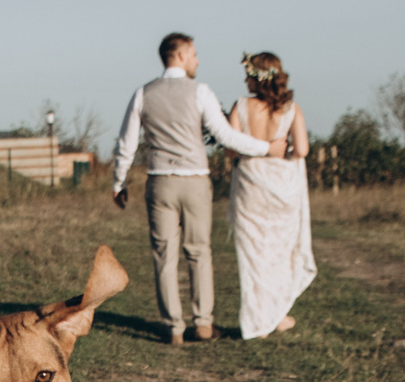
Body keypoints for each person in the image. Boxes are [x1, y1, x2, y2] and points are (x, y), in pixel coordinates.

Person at [110, 32, 276, 344]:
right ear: (181, 55)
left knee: (163, 254)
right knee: (199, 252)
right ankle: (202, 323)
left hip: (160, 182)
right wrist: (267, 147)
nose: (198, 59)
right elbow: (226, 136)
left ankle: (173, 327)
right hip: (196, 181)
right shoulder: (200, 92)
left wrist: (119, 183)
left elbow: (126, 144)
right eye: (195, 54)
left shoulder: (143, 94)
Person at [226, 52, 316, 338]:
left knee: (253, 254)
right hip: (283, 189)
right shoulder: (291, 108)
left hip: (251, 187)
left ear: (258, 77)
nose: (245, 80)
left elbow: (230, 148)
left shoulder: (240, 106)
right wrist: (282, 149)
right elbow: (302, 150)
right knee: (278, 253)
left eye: (248, 74)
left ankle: (262, 319)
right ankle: (273, 316)